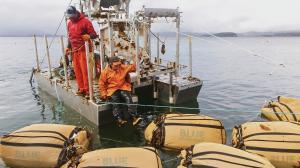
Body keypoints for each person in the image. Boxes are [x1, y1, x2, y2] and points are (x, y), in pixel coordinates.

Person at [65, 6, 97, 98]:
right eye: (69, 16)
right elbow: (70, 37)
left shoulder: (86, 21)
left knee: (85, 71)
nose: (70, 18)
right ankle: (81, 89)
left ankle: (88, 91)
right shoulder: (69, 23)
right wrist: (68, 47)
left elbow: (94, 35)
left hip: (85, 50)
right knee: (77, 71)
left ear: (76, 13)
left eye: (71, 16)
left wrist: (89, 36)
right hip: (75, 51)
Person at [99, 56, 141, 126]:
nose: (118, 66)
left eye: (119, 64)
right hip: (112, 89)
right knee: (115, 102)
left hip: (123, 87)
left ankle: (134, 117)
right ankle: (119, 120)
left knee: (128, 98)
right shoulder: (105, 72)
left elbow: (133, 67)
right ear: (110, 64)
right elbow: (101, 83)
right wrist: (103, 94)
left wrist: (137, 58)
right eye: (116, 65)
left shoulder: (123, 67)